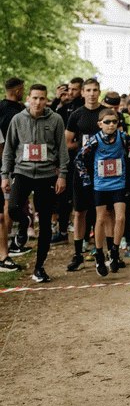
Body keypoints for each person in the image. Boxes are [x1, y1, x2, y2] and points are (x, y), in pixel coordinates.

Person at [1, 84, 69, 283]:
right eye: (35, 98)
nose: (38, 102)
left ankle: (39, 267)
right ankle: (24, 223)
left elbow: (62, 149)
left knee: (46, 223)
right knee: (13, 208)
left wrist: (62, 175)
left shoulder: (55, 119)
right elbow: (9, 149)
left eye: (42, 98)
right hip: (22, 172)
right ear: (28, 99)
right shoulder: (17, 119)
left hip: (47, 175)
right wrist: (5, 175)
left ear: (46, 100)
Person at [75, 109, 130, 277]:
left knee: (121, 217)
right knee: (101, 218)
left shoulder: (123, 137)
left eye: (114, 122)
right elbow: (79, 158)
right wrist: (86, 179)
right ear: (100, 124)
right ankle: (99, 254)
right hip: (101, 185)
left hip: (118, 183)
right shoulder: (94, 140)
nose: (111, 125)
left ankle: (114, 251)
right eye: (107, 122)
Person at [65, 78, 105, 271]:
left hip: (103, 169)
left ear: (99, 92)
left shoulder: (106, 113)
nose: (91, 94)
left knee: (103, 212)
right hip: (81, 170)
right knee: (80, 211)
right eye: (88, 90)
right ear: (82, 93)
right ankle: (78, 254)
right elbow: (67, 142)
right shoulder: (76, 115)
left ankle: (104, 253)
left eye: (94, 90)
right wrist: (84, 146)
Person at [0, 77, 28, 265]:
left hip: (9, 162)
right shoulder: (16, 112)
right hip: (11, 163)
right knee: (8, 204)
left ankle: (9, 245)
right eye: (23, 89)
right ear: (17, 90)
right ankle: (8, 246)